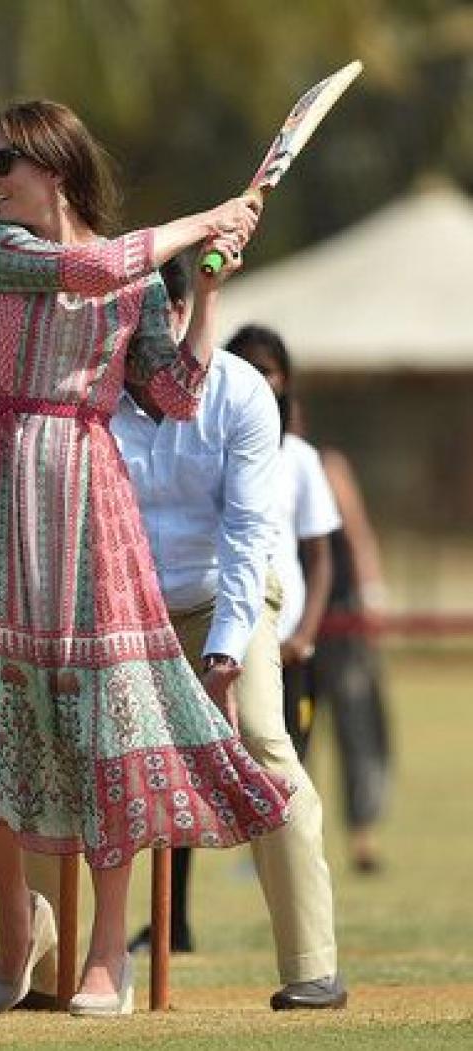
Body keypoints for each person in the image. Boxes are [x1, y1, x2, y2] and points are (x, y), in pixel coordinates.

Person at [0, 99, 294, 1019]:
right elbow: (90, 264)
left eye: (6, 162)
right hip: (0, 490)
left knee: (107, 723)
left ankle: (107, 950)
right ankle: (12, 927)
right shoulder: (0, 250)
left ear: (56, 168)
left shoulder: (141, 279)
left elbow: (177, 395)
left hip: (89, 496)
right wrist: (209, 215)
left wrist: (212, 285)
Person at [117, 259, 346, 1008]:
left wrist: (222, 652)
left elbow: (251, 540)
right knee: (62, 749)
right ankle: (55, 957)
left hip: (228, 594)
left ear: (184, 309)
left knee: (259, 737)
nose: (139, 328)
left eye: (156, 308)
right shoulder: (84, 400)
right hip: (126, 607)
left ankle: (312, 966)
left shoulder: (241, 392)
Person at [228, 326, 341, 761]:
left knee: (289, 766)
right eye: (243, 368)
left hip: (288, 649)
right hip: (228, 647)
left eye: (266, 371)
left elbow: (319, 558)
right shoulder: (210, 450)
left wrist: (303, 636)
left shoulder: (298, 459)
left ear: (285, 381)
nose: (255, 380)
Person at [311, 446, 392, 873]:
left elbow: (358, 534)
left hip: (339, 619)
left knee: (357, 727)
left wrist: (371, 591)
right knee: (287, 734)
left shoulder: (328, 464)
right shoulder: (251, 456)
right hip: (288, 619)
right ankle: (273, 846)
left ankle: (364, 838)